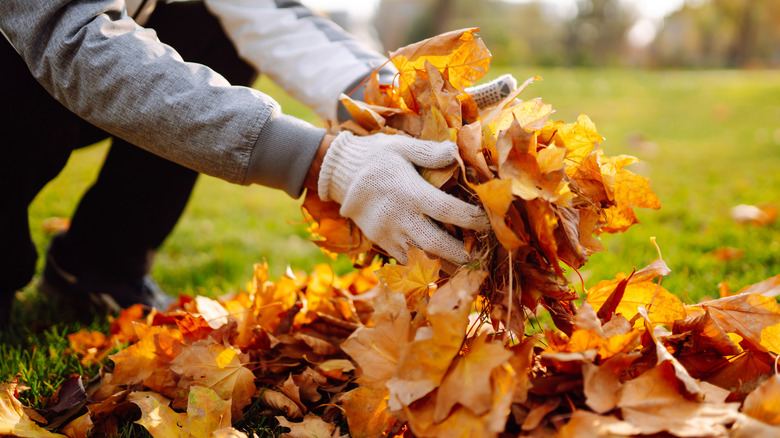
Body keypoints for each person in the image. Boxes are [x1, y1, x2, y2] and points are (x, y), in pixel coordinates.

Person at [0, 0, 490, 327]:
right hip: (26, 64)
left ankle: (100, 267)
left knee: (207, 23)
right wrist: (326, 162)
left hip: (72, 74)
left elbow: (263, 13)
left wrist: (404, 100)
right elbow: (71, 39)